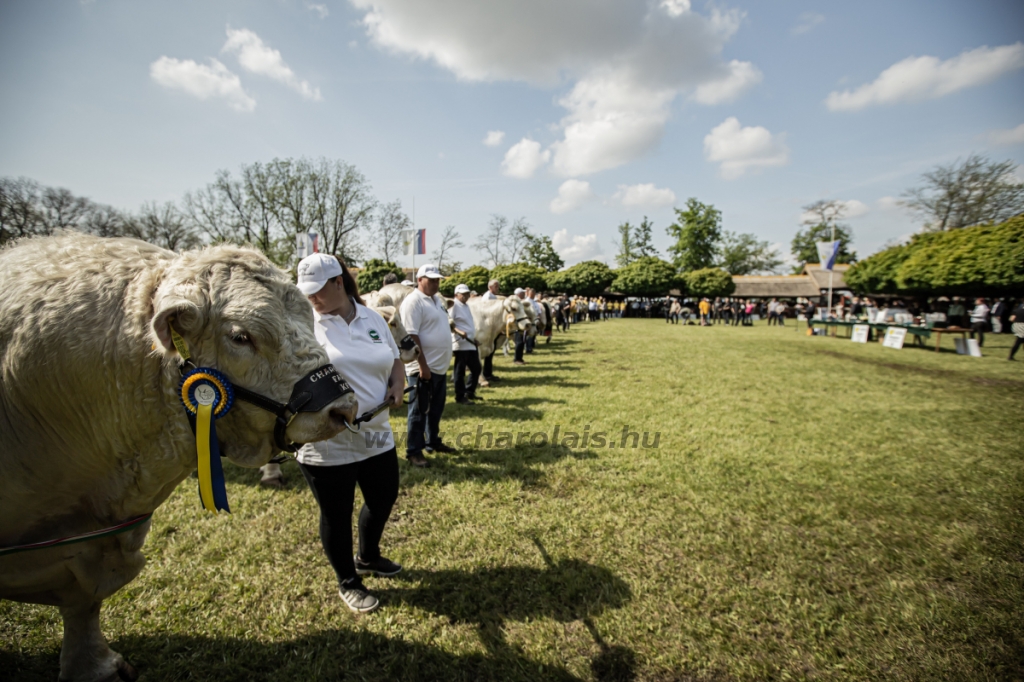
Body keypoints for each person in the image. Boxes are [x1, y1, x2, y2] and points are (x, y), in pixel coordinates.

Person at [294, 253, 406, 614]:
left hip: (376, 433)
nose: (311, 297)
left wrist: (397, 385)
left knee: (383, 498)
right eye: (306, 291)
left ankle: (368, 556)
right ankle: (348, 581)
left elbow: (396, 359)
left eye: (317, 289)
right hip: (326, 441)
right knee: (336, 515)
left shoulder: (372, 316)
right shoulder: (301, 324)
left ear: (338, 282)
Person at [400, 263, 455, 468]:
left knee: (436, 408)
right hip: (422, 368)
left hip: (438, 366)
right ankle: (413, 451)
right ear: (419, 280)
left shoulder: (436, 300)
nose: (435, 283)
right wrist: (422, 366)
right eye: (431, 280)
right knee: (418, 410)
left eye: (437, 280)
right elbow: (411, 335)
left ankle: (433, 441)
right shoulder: (413, 302)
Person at [449, 284, 481, 404]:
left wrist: (474, 338)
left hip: (470, 343)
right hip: (461, 343)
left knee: (476, 368)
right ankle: (460, 396)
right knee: (460, 371)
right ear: (456, 294)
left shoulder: (466, 306)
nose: (466, 296)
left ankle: (470, 391)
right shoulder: (454, 305)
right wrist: (458, 331)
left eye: (467, 293)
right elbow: (449, 322)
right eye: (463, 294)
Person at [480, 279, 502, 385]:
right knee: (489, 352)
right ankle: (486, 373)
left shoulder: (493, 297)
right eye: (496, 286)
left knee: (491, 351)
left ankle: (488, 372)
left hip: (493, 327)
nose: (498, 288)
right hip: (489, 327)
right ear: (490, 287)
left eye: (498, 286)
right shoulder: (487, 297)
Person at [513, 287, 528, 365]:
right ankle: (516, 359)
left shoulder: (520, 302)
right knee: (519, 342)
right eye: (523, 293)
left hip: (522, 324)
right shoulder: (515, 303)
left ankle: (520, 358)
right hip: (517, 325)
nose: (524, 294)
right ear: (519, 294)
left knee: (522, 341)